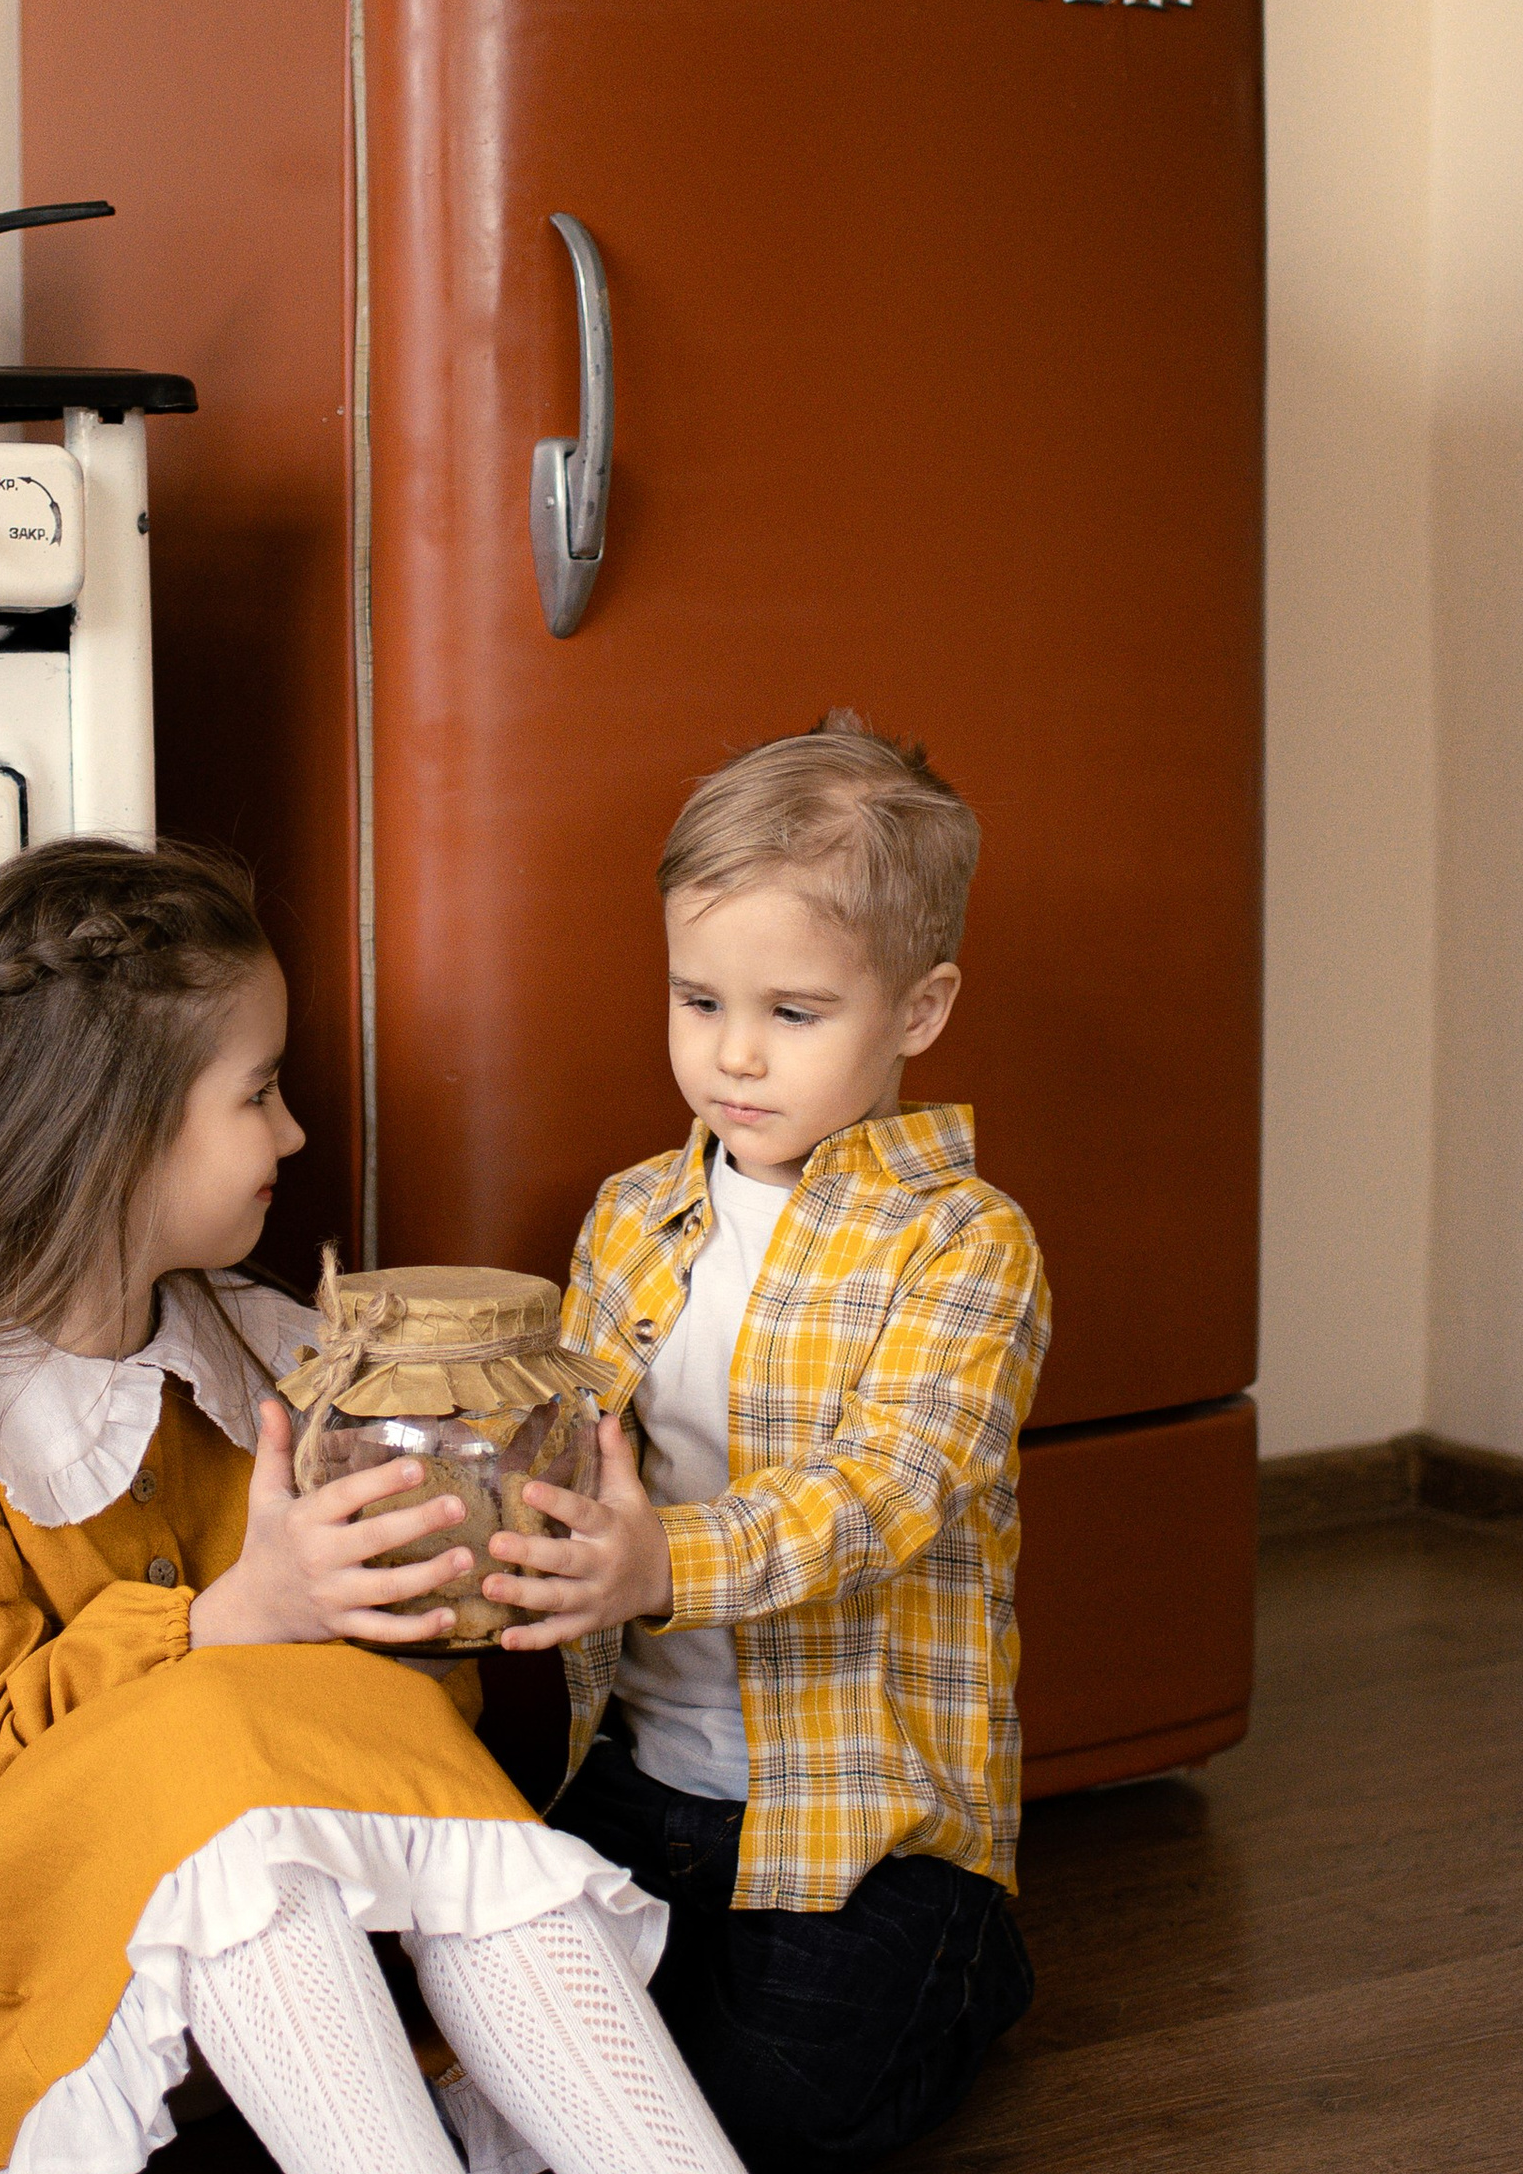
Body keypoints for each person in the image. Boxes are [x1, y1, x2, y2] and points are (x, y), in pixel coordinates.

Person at [0, 836, 751, 2174]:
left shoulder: (256, 1357)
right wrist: (240, 1618)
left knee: (273, 1781)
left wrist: (429, 1579)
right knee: (220, 1747)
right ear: (109, 1132)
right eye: (262, 1091)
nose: (292, 1132)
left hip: (229, 1866)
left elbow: (368, 1735)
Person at [481, 716, 1050, 2170]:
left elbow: (883, 1493)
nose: (733, 1055)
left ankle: (964, 1964)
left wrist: (656, 1558)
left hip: (859, 1822)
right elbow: (577, 1437)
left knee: (760, 2118)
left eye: (795, 1014)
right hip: (644, 1781)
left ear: (918, 1010)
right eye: (697, 999)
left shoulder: (964, 1244)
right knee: (522, 2033)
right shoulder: (632, 1213)